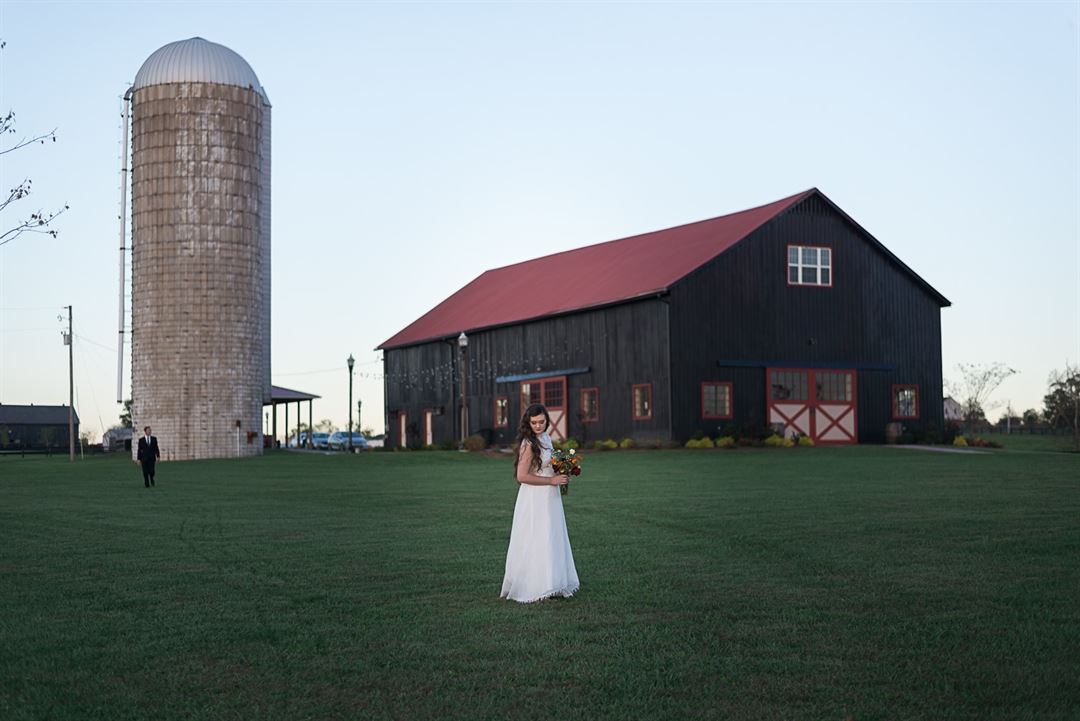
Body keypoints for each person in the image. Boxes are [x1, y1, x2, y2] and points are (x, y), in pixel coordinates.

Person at [500, 403, 580, 603]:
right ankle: (536, 585)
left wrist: (562, 472)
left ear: (547, 421)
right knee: (536, 537)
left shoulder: (545, 438)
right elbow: (522, 476)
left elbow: (547, 465)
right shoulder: (528, 443)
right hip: (535, 498)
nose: (538, 426)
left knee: (551, 535)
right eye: (534, 422)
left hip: (550, 497)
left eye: (542, 422)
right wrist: (551, 481)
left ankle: (553, 582)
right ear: (528, 423)